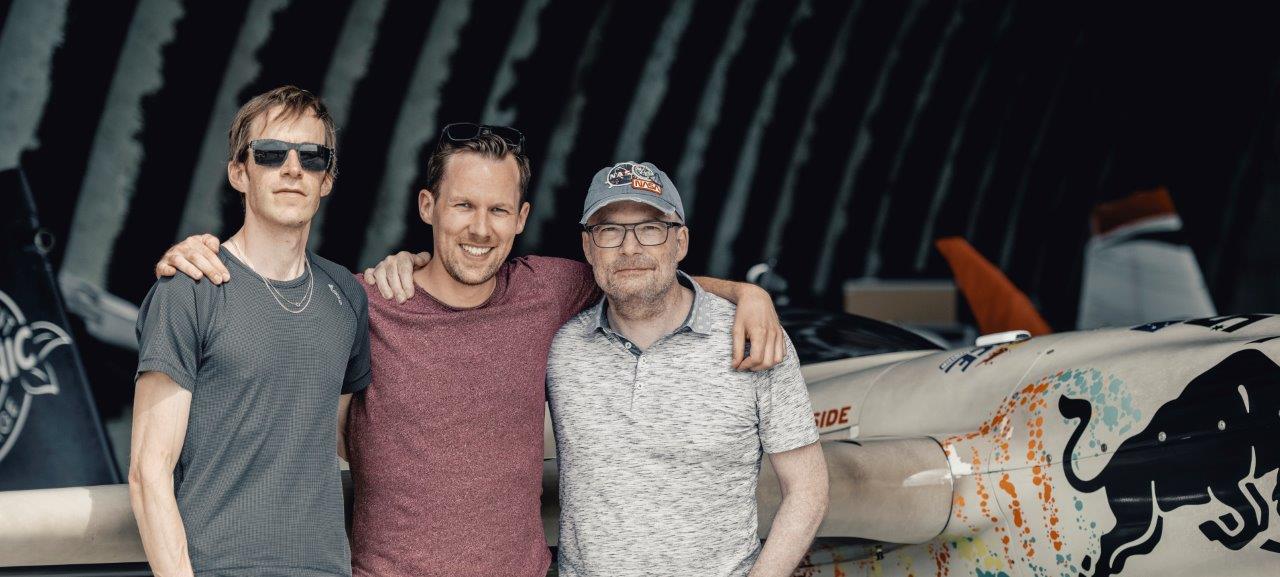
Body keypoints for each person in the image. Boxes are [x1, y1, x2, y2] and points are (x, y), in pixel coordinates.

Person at [155, 123, 788, 577]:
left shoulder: (549, 290)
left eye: (498, 210)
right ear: (428, 206)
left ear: (521, 218)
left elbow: (637, 273)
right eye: (462, 205)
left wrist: (746, 294)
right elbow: (273, 295)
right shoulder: (361, 300)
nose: (480, 229)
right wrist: (198, 258)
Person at [130, 86, 371, 577]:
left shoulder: (347, 294)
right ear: (239, 172)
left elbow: (345, 437)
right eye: (270, 153)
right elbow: (147, 472)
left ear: (327, 179)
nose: (292, 168)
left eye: (311, 156)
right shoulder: (190, 287)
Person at [546, 161, 828, 577]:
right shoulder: (561, 346)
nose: (629, 248)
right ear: (589, 248)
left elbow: (807, 490)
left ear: (680, 242)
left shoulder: (752, 339)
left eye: (650, 229)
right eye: (609, 230)